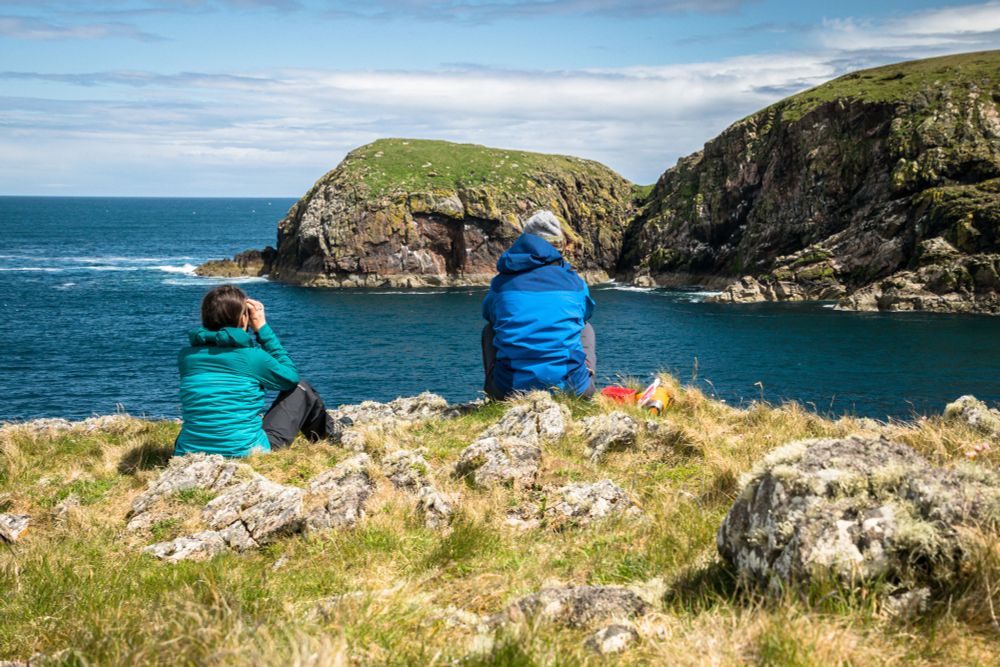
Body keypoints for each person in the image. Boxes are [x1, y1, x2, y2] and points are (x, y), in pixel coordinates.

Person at [175, 284, 343, 457]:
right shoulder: (251, 357)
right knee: (301, 388)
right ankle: (329, 438)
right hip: (247, 452)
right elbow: (290, 377)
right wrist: (262, 328)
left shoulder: (186, 357)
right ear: (242, 319)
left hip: (189, 452)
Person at [481, 210, 597, 400]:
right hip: (572, 390)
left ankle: (495, 393)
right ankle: (583, 380)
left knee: (490, 330)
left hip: (509, 391)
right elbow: (587, 313)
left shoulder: (501, 283)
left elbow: (488, 314)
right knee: (585, 327)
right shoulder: (575, 283)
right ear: (556, 246)